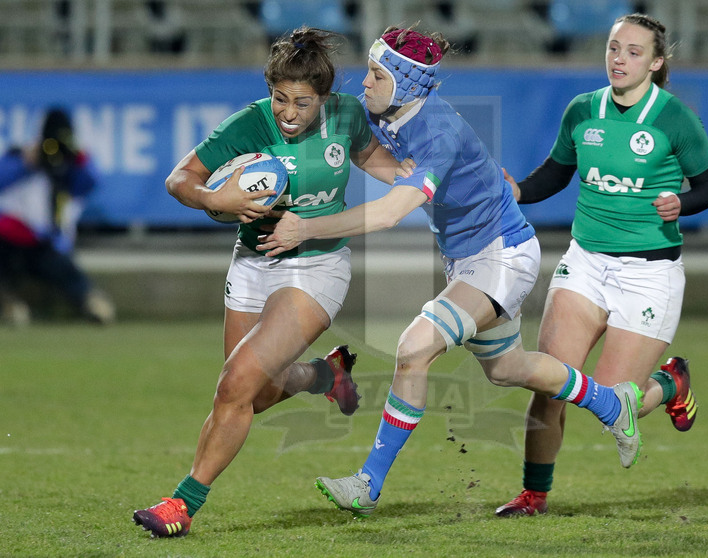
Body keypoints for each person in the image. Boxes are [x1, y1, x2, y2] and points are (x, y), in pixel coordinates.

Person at [259, 25, 645, 519]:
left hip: (502, 254)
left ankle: (367, 484)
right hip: (469, 259)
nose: (366, 83)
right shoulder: (387, 111)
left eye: (378, 74)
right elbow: (369, 153)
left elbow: (388, 213)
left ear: (405, 84)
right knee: (509, 368)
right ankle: (614, 406)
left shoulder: (436, 130)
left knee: (413, 348)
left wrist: (304, 228)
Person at [131, 26, 408, 538]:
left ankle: (182, 504)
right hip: (252, 262)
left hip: (317, 267)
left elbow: (377, 162)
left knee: (234, 384)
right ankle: (327, 377)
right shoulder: (250, 125)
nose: (287, 112)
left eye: (301, 102)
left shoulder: (347, 115)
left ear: (323, 98)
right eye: (279, 98)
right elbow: (179, 180)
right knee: (254, 398)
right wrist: (218, 200)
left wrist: (425, 176)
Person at [494, 13, 708, 517]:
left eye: (634, 52)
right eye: (614, 48)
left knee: (613, 403)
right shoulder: (583, 110)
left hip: (648, 275)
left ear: (656, 62)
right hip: (586, 264)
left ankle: (670, 383)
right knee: (550, 384)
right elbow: (558, 170)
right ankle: (534, 496)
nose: (620, 59)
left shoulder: (673, 117)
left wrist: (681, 203)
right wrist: (519, 191)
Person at [0, 107, 115, 326]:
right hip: (6, 238)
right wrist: (26, 163)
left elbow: (91, 182)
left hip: (42, 242)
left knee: (64, 268)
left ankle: (92, 303)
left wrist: (76, 156)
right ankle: (9, 306)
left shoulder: (70, 167)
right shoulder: (19, 157)